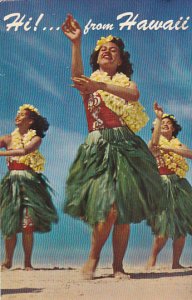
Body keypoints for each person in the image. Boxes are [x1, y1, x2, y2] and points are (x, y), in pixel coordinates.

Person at [62, 14, 164, 279]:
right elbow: (76, 77)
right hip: (98, 146)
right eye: (102, 50)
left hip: (126, 146)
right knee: (107, 207)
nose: (107, 52)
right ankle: (93, 259)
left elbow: (134, 95)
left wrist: (102, 85)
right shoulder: (89, 84)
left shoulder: (124, 83)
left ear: (120, 61)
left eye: (114, 51)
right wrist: (76, 44)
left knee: (123, 209)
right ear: (96, 59)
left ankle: (118, 266)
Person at [0, 104, 58, 270]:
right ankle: (8, 261)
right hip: (11, 183)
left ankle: (27, 263)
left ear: (30, 121)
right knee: (9, 222)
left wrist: (2, 154)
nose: (17, 116)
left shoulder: (36, 138)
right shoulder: (7, 139)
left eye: (21, 114)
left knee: (27, 224)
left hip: (30, 183)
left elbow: (25, 151)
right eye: (17, 113)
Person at [147, 102, 192, 269]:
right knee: (163, 229)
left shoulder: (178, 145)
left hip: (179, 185)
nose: (165, 125)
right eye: (162, 124)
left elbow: (190, 154)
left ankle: (176, 263)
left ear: (174, 129)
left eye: (168, 124)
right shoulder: (154, 143)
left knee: (181, 228)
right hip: (162, 185)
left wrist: (172, 150)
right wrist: (159, 118)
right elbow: (151, 146)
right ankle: (151, 260)